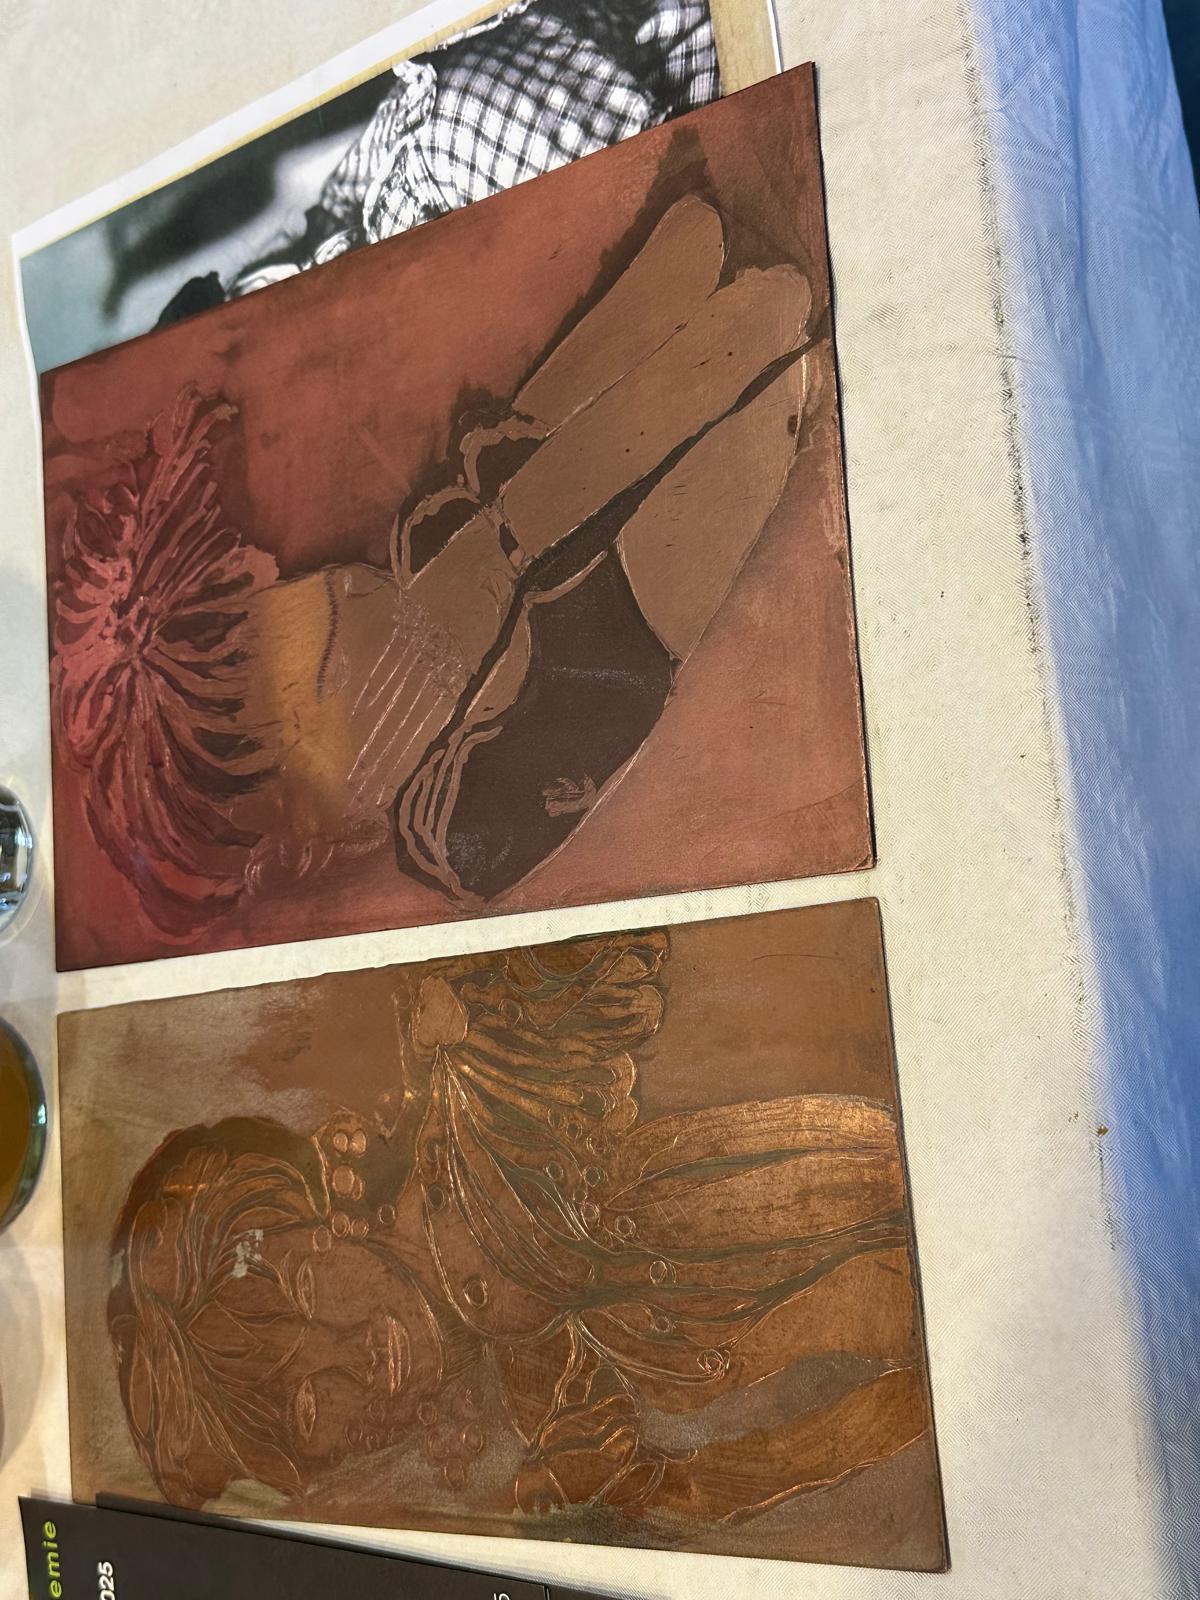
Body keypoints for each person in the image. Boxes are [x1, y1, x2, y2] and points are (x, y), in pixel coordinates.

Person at [108, 931, 929, 1526]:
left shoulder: (460, 1090)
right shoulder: (550, 1395)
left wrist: (462, 1020)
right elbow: (727, 1483)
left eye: (306, 1290)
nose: (349, 1355)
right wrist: (631, 1483)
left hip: (860, 1157)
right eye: (308, 1407)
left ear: (323, 1228)